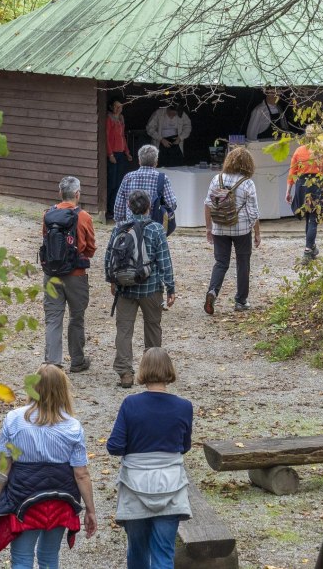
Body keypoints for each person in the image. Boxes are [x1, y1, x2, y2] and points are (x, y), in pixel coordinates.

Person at [0, 364, 97, 569]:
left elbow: (4, 465)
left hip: (23, 497)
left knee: (21, 558)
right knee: (49, 557)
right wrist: (90, 510)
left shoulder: (14, 420)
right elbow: (81, 474)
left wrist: (0, 501)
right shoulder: (73, 426)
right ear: (63, 390)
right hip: (60, 499)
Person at [106, 348, 193, 569]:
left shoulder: (130, 404)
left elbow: (114, 446)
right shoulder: (184, 407)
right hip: (171, 485)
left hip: (135, 486)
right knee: (164, 554)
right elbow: (185, 446)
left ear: (143, 370)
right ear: (169, 370)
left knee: (137, 551)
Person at [105, 190, 175, 388]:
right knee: (153, 327)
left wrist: (112, 280)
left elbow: (109, 256)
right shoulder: (156, 229)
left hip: (124, 288)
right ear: (148, 207)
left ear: (128, 206)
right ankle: (153, 371)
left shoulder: (119, 228)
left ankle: (125, 373)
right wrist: (170, 288)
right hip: (150, 288)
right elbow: (164, 261)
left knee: (124, 329)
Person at [40, 176, 96, 372]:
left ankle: (53, 364)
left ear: (59, 193)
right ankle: (77, 360)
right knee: (76, 317)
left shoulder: (48, 215)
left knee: (53, 318)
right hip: (76, 274)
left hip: (52, 274)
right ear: (77, 194)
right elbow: (90, 248)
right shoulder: (84, 217)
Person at [204, 146, 261, 315]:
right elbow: (254, 212)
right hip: (241, 229)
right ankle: (240, 301)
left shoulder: (217, 179)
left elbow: (207, 204)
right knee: (243, 263)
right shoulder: (247, 183)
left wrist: (209, 228)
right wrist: (257, 233)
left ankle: (213, 291)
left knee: (221, 262)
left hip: (219, 227)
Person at [285, 124, 323, 263]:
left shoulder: (298, 151)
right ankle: (308, 251)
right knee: (314, 218)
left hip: (302, 186)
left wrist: (288, 191)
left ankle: (312, 247)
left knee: (309, 217)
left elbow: (292, 173)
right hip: (317, 186)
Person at [114, 144, 177, 224]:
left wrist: (120, 222)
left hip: (131, 225)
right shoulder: (163, 178)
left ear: (139, 161)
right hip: (154, 225)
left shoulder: (128, 177)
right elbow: (171, 204)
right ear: (156, 162)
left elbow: (119, 205)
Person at [106, 96, 133, 219]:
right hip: (113, 154)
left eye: (120, 106)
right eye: (116, 106)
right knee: (112, 183)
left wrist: (127, 152)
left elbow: (122, 137)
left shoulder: (121, 119)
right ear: (111, 107)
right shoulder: (109, 119)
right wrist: (110, 154)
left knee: (119, 183)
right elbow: (106, 137)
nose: (118, 108)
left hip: (121, 153)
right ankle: (109, 209)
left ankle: (115, 209)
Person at [146, 101, 192, 167]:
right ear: (168, 109)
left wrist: (180, 138)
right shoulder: (159, 113)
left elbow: (188, 127)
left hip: (175, 143)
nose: (173, 115)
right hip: (161, 142)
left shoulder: (182, 114)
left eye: (175, 114)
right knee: (160, 165)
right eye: (171, 113)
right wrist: (161, 139)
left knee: (177, 165)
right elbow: (149, 128)